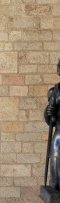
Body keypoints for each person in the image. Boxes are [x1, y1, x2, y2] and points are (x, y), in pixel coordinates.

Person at [44, 59, 60, 190]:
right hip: (59, 132)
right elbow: (49, 117)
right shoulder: (54, 91)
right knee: (54, 161)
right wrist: (49, 113)